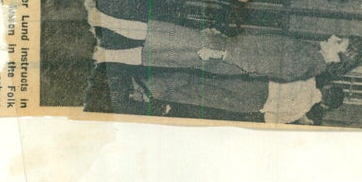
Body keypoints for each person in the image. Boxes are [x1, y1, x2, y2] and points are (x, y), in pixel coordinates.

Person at [81, 0, 362, 81]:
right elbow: (260, 48)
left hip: (222, 56)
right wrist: (222, 41)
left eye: (339, 42)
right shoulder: (311, 55)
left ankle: (99, 20)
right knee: (159, 47)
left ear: (339, 56)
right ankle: (103, 52)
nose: (334, 37)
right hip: (223, 50)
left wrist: (222, 52)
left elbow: (260, 64)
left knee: (158, 35)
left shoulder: (308, 62)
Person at [125, 71, 345, 125]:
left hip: (255, 83)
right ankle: (147, 95)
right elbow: (269, 119)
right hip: (251, 103)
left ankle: (150, 85)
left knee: (202, 77)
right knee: (199, 96)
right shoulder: (301, 110)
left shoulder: (308, 77)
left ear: (327, 86)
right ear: (325, 105)